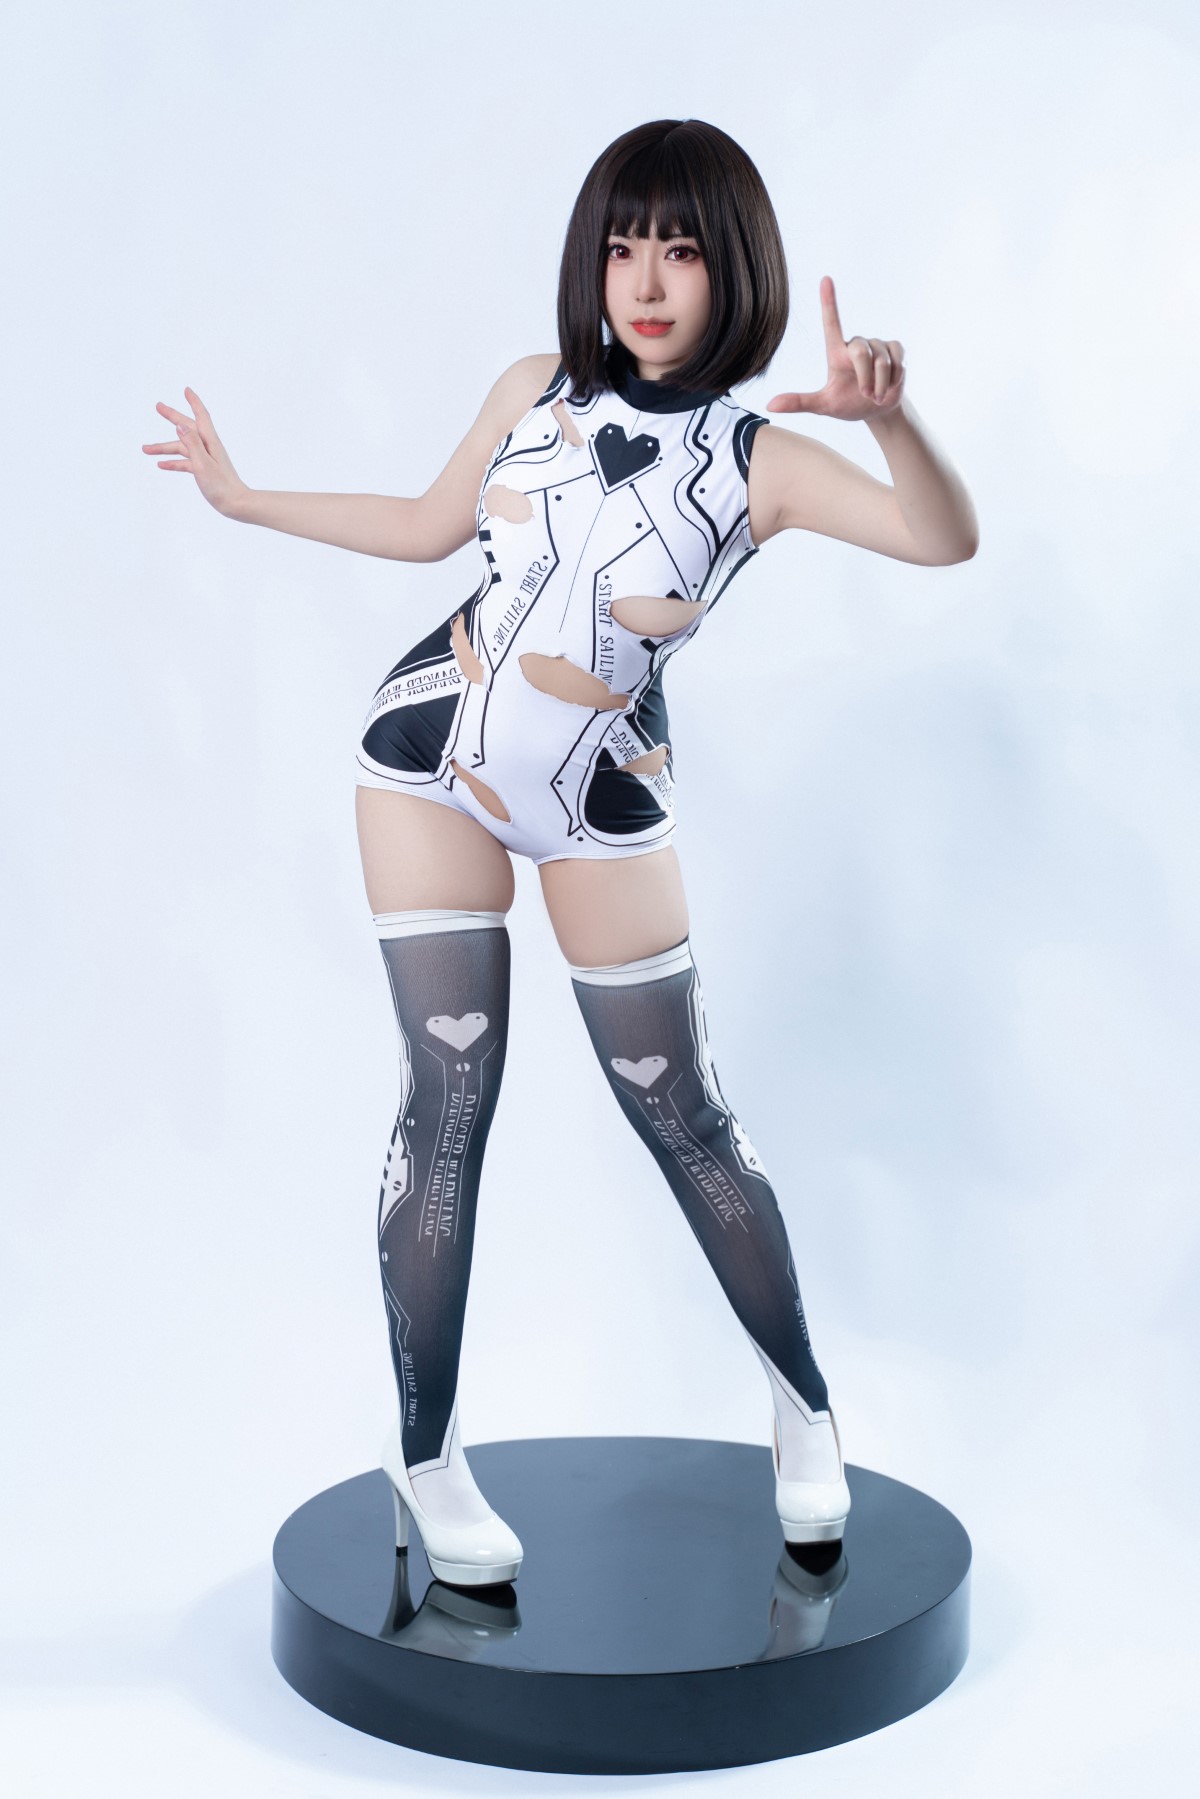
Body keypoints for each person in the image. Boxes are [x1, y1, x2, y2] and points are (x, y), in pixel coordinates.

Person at [143, 118, 978, 1590]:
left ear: (734, 269)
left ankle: (804, 1412)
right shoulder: (532, 388)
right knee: (446, 1104)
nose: (646, 282)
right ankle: (425, 1455)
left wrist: (892, 423)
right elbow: (427, 526)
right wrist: (247, 495)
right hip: (427, 758)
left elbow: (939, 539)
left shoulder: (764, 461)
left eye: (682, 250)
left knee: (685, 1114)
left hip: (603, 796)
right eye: (623, 245)